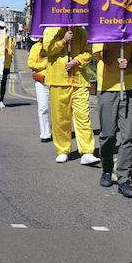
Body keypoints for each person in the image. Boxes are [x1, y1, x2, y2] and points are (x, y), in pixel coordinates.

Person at [93, 41, 132, 198]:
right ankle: (107, 169)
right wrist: (117, 42)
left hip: (129, 89)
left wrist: (128, 66)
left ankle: (123, 179)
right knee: (108, 135)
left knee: (128, 136)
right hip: (107, 89)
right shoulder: (102, 32)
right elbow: (106, 59)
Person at [43, 26, 99, 165]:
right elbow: (48, 50)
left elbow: (88, 51)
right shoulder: (50, 30)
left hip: (79, 80)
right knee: (60, 118)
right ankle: (62, 150)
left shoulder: (81, 31)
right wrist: (63, 40)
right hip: (58, 80)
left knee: (83, 117)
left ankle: (87, 151)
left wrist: (77, 61)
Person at [27, 37, 52, 143]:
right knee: (43, 108)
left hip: (56, 81)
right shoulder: (35, 47)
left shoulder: (56, 45)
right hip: (42, 81)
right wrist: (44, 65)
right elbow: (30, 64)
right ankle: (45, 133)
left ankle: (60, 132)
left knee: (60, 109)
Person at [0, 23, 14, 108]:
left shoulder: (9, 38)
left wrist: (7, 50)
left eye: (2, 28)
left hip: (5, 64)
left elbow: (12, 51)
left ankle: (2, 100)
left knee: (4, 82)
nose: (1, 29)